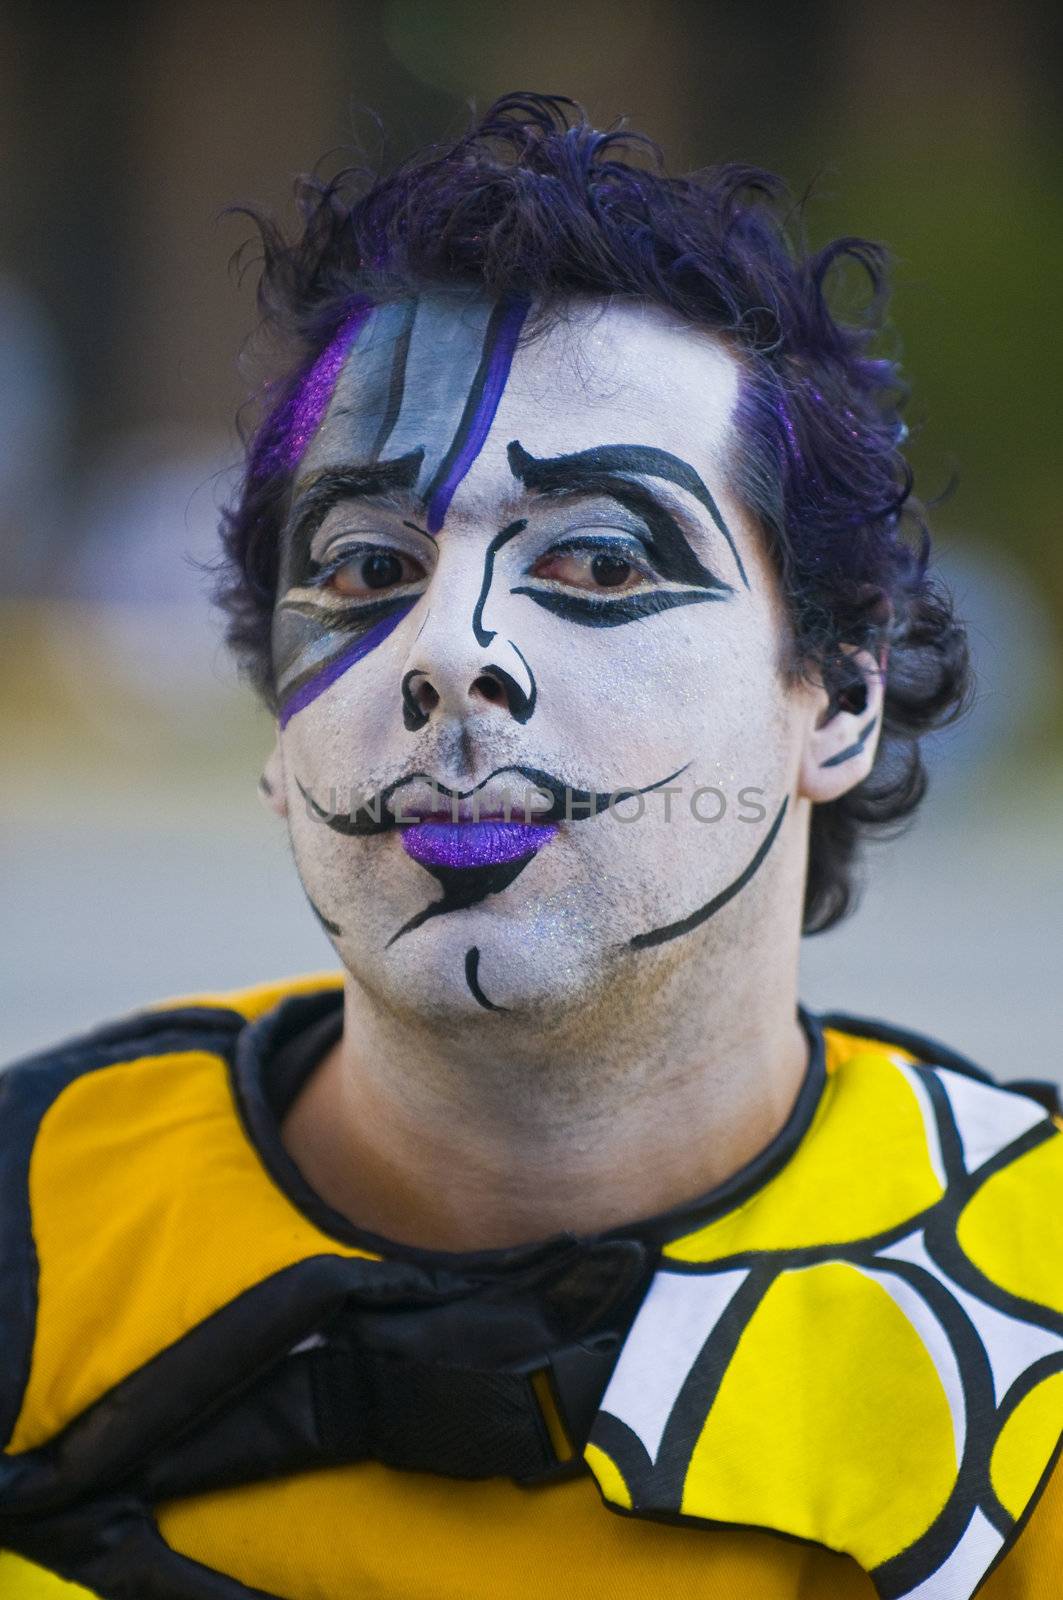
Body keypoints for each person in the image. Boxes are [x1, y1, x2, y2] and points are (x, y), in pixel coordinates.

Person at [1, 92, 1060, 1600]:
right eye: (366, 567)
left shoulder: (1038, 1323)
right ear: (277, 741)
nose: (450, 652)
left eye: (603, 557)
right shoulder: (30, 1214)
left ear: (834, 702)